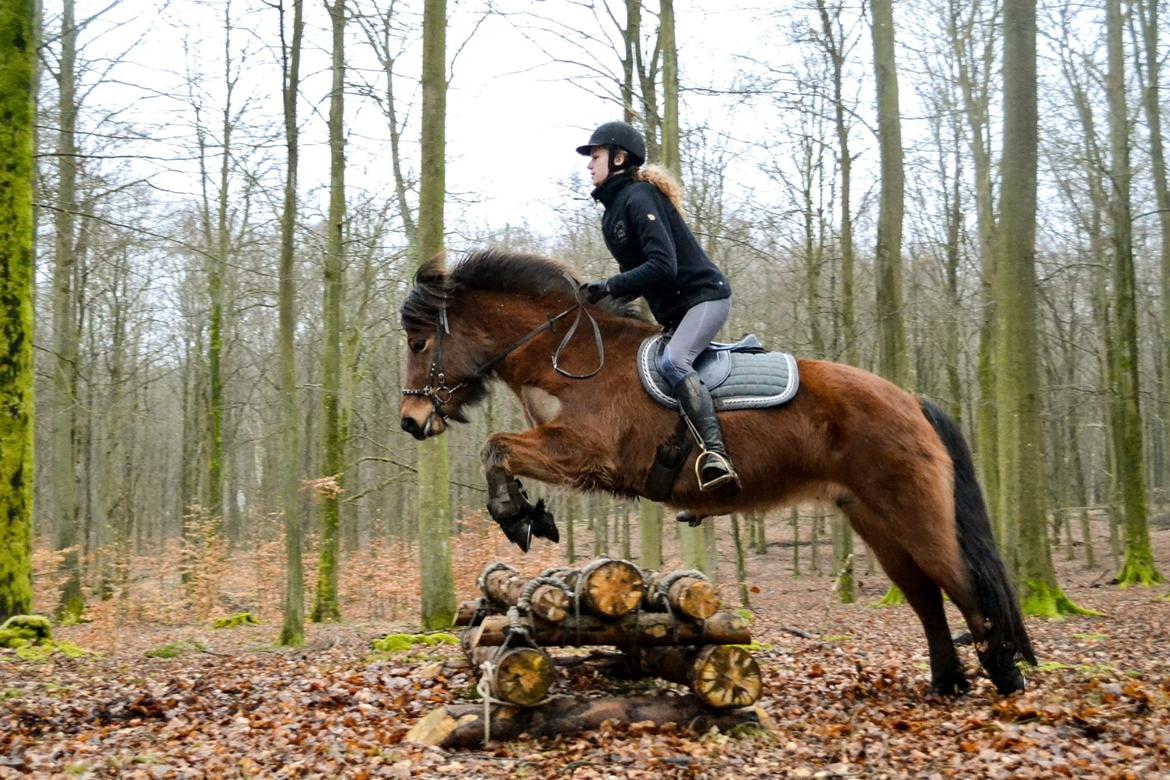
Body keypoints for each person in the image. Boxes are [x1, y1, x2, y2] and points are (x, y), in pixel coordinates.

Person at [575, 120, 739, 492]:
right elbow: (638, 278)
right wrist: (596, 304)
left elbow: (664, 266)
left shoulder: (639, 197)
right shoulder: (613, 212)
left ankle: (716, 453)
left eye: (594, 156)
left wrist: (610, 285)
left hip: (705, 298)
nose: (588, 165)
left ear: (618, 159)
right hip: (678, 313)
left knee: (673, 362)